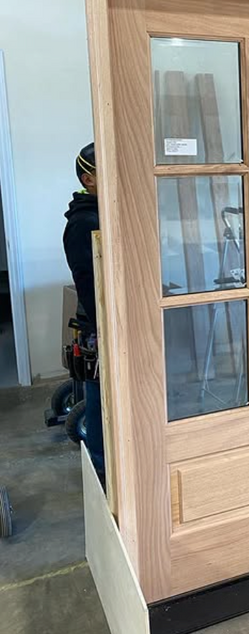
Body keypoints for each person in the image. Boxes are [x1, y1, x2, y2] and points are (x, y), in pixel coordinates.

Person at [63, 143, 104, 477]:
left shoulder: (103, 210)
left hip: (109, 319)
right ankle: (102, 473)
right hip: (100, 323)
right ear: (88, 178)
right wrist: (106, 327)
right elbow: (92, 283)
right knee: (101, 401)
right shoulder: (84, 222)